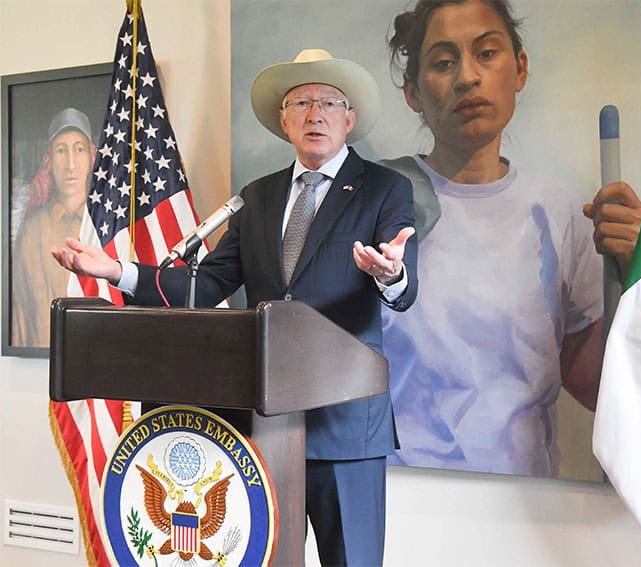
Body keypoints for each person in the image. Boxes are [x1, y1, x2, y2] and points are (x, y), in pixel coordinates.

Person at [52, 49, 418, 566]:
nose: (316, 114)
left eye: (329, 102)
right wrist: (118, 272)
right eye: (302, 103)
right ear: (284, 120)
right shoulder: (258, 196)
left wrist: (391, 274)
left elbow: (404, 288)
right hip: (262, 426)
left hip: (346, 426)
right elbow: (208, 282)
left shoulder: (385, 189)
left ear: (349, 119)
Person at [380, 0, 641, 477]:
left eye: (486, 53)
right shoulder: (377, 203)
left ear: (519, 69)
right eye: (443, 62)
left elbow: (592, 385)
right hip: (397, 495)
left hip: (524, 505)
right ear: (413, 92)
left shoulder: (559, 213)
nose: (467, 77)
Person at [12, 108, 95, 348]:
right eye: (61, 151)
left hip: (100, 369)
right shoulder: (31, 231)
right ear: (50, 158)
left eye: (79, 149)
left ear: (90, 156)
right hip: (39, 369)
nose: (70, 164)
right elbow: (18, 313)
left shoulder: (106, 228)